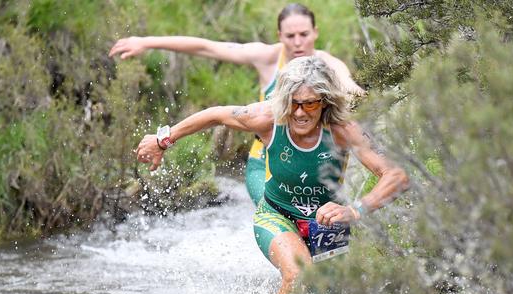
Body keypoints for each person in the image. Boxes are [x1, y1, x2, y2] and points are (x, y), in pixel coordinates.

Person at [135, 56, 409, 294]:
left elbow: (397, 175)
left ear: (326, 102)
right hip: (277, 215)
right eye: (293, 103)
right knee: (298, 275)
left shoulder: (343, 131)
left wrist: (356, 210)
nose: (300, 113)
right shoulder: (267, 119)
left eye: (310, 104)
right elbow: (216, 115)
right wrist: (162, 139)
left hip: (329, 227)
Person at [109, 3, 364, 206]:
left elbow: (350, 87)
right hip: (266, 154)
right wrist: (147, 42)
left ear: (315, 33)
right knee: (278, 212)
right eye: (290, 36)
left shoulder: (329, 65)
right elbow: (207, 47)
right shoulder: (267, 57)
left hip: (316, 157)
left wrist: (359, 97)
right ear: (280, 36)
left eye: (304, 35)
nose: (298, 42)